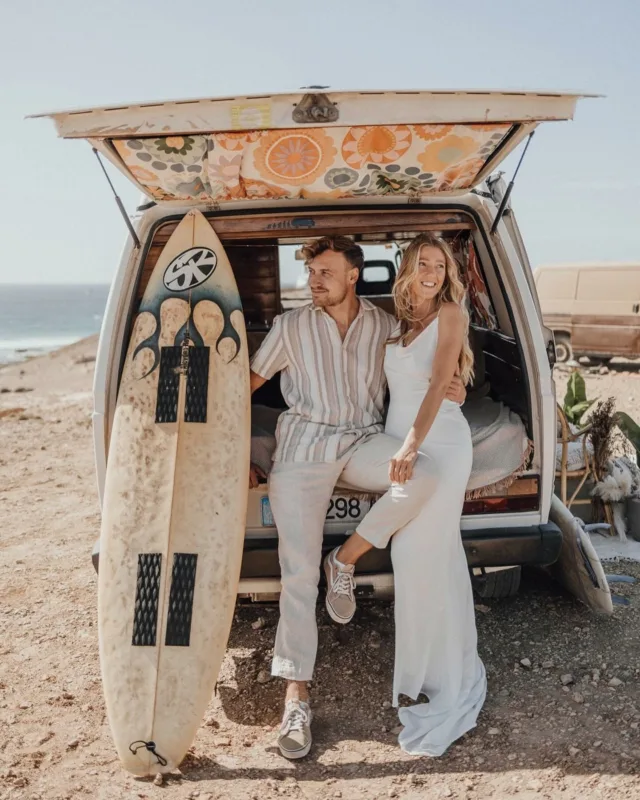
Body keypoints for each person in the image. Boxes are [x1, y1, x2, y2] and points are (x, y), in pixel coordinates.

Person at [248, 236, 468, 760]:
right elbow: (246, 385)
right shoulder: (290, 326)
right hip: (303, 447)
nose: (314, 281)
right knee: (295, 573)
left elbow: (428, 364)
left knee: (425, 473)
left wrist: (456, 384)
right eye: (311, 273)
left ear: (353, 275)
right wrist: (236, 449)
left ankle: (343, 560)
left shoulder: (384, 324)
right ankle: (296, 696)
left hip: (365, 439)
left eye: (325, 272)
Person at [331, 233, 487, 755]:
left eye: (440, 265)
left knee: (424, 556)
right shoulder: (401, 321)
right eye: (423, 263)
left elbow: (442, 378)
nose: (432, 273)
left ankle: (439, 681)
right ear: (408, 268)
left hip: (439, 442)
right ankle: (426, 672)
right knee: (419, 558)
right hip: (403, 440)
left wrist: (411, 447)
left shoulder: (450, 315)